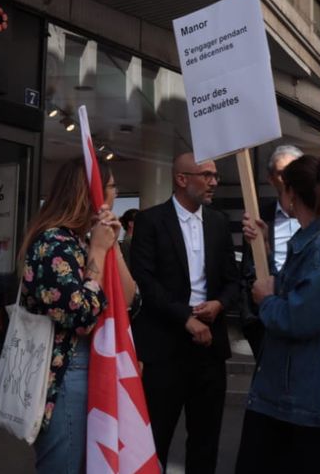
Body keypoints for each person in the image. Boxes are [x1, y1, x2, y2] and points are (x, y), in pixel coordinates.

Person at [234, 155, 320, 474]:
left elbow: (303, 317)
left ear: (291, 194)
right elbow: (293, 292)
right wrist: (263, 247)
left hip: (306, 399)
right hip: (293, 394)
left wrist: (266, 301)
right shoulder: (315, 241)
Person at [19, 158, 139, 472]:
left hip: (90, 368)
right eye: (111, 186)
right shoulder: (52, 243)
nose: (116, 192)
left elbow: (129, 299)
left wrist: (110, 246)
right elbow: (79, 314)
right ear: (92, 192)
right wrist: (98, 251)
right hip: (64, 374)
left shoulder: (81, 241)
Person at [130, 152, 240, 473]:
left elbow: (232, 282)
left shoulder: (219, 223)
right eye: (207, 175)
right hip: (165, 348)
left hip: (209, 349)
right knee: (154, 438)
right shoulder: (150, 221)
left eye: (215, 176)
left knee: (206, 441)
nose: (214, 182)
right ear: (182, 179)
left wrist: (219, 305)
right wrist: (186, 319)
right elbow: (146, 283)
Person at [240, 144, 305, 359]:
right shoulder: (259, 216)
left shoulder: (318, 215)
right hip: (268, 319)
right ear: (271, 179)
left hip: (305, 313)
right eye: (281, 172)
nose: (288, 177)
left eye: (294, 169)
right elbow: (249, 269)